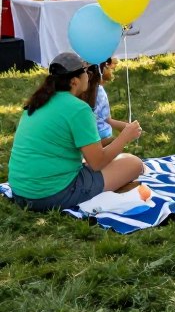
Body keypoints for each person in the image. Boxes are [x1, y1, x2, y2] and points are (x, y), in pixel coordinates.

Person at [6, 51, 144, 211]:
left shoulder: (38, 102)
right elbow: (97, 162)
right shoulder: (78, 109)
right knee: (134, 164)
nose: (89, 75)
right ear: (74, 81)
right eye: (85, 72)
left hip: (20, 192)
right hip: (50, 195)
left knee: (121, 160)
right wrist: (125, 137)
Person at [87, 58, 127, 146]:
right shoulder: (97, 92)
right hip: (95, 139)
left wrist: (126, 128)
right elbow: (107, 119)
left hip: (99, 136)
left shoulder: (99, 91)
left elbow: (107, 119)